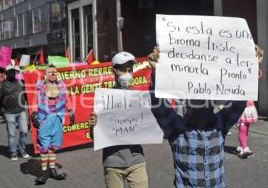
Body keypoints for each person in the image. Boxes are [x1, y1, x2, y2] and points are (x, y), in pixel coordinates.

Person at [148, 47, 247, 188]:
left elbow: (239, 102)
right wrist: (156, 73)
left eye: (205, 97)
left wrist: (249, 65)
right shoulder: (178, 130)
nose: (201, 101)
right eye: (196, 97)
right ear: (187, 103)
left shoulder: (220, 124)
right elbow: (159, 107)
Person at [88, 52, 149, 188]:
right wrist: (92, 126)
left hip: (137, 160)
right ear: (114, 71)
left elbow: (146, 128)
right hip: (113, 163)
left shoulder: (138, 98)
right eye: (123, 69)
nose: (127, 73)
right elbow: (95, 137)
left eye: (130, 69)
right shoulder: (104, 99)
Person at [31, 64, 75, 185]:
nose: (53, 74)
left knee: (53, 146)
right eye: (50, 72)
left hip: (57, 119)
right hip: (44, 119)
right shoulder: (41, 87)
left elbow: (67, 99)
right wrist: (34, 114)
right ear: (46, 74)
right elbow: (35, 101)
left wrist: (70, 111)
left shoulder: (61, 86)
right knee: (44, 146)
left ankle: (52, 170)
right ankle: (44, 173)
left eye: (55, 72)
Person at [0, 65, 30, 161]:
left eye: (13, 71)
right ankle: (13, 152)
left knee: (24, 131)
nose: (12, 73)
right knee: (11, 134)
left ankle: (22, 150)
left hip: (21, 111)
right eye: (10, 72)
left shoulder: (21, 83)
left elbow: (27, 94)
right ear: (6, 73)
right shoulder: (2, 85)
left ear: (15, 73)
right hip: (8, 112)